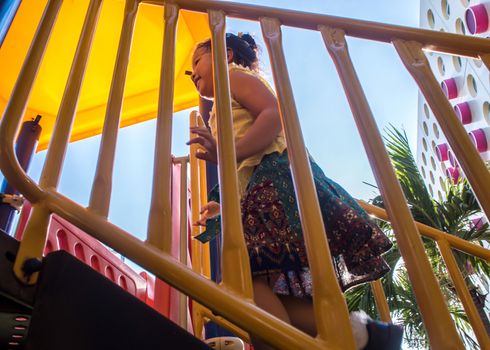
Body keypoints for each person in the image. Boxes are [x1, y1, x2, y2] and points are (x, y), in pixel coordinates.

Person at [187, 32, 403, 350]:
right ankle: (361, 336)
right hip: (259, 186)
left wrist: (228, 152)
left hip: (276, 179)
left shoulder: (232, 77)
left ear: (226, 54)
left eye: (196, 60)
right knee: (256, 287)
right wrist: (225, 206)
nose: (192, 72)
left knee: (245, 279)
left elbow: (273, 114)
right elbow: (241, 167)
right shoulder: (220, 105)